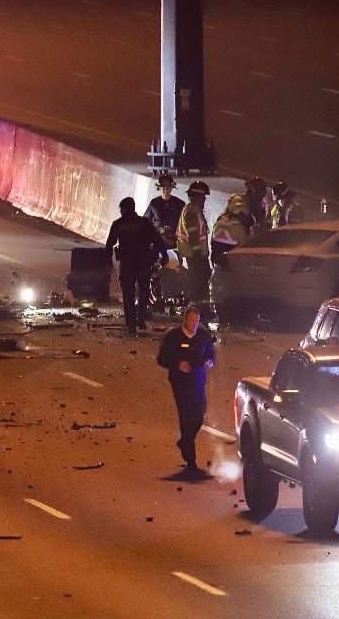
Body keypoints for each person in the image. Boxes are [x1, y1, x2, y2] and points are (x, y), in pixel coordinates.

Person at [156, 305, 216, 471]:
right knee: (186, 417)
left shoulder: (203, 336)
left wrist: (209, 361)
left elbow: (210, 354)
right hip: (180, 384)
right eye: (192, 321)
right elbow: (161, 359)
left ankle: (185, 441)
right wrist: (177, 364)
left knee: (198, 416)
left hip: (198, 383)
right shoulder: (173, 337)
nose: (195, 324)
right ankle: (190, 458)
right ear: (185, 320)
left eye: (197, 321)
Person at [105, 197, 168, 335]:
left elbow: (109, 244)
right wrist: (164, 254)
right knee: (144, 292)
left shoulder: (118, 224)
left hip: (127, 265)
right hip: (143, 264)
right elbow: (157, 239)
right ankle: (140, 319)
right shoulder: (144, 223)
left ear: (124, 209)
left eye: (121, 209)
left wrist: (108, 262)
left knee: (128, 295)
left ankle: (131, 324)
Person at [175, 181, 211, 306]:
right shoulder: (191, 212)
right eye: (203, 197)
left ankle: (200, 309)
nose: (205, 199)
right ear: (195, 197)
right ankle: (198, 309)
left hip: (195, 254)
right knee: (199, 281)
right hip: (195, 255)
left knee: (200, 280)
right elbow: (193, 235)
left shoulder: (193, 210)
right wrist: (198, 253)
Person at [211, 193, 253, 265]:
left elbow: (213, 244)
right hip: (233, 266)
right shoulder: (240, 228)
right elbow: (245, 251)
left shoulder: (218, 223)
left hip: (217, 264)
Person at [146, 174, 185, 250]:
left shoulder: (179, 204)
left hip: (175, 244)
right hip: (158, 243)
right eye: (163, 186)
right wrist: (159, 229)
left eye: (168, 186)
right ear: (159, 187)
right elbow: (146, 222)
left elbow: (184, 224)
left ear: (172, 187)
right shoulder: (154, 203)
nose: (165, 188)